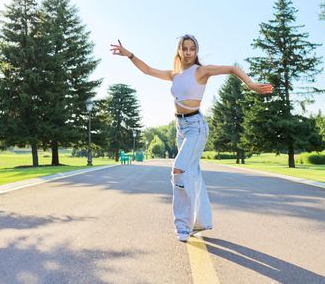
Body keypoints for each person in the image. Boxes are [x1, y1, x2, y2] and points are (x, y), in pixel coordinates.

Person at [110, 34, 273, 242]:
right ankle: (199, 222)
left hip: (196, 126)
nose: (188, 52)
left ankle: (182, 225)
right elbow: (148, 70)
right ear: (179, 50)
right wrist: (129, 55)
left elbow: (232, 69)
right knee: (192, 175)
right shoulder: (175, 74)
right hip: (181, 127)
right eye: (184, 48)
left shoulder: (201, 71)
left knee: (178, 170)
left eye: (192, 49)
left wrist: (250, 84)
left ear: (196, 51)